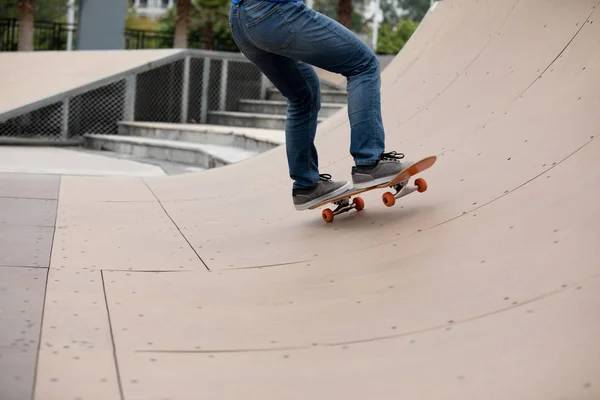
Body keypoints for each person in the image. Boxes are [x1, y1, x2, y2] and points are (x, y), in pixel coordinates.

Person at [229, 0, 412, 210]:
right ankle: (370, 161)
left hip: (240, 20)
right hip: (274, 11)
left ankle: (306, 186)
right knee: (363, 64)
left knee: (303, 94)